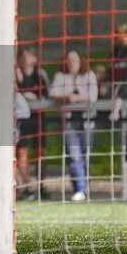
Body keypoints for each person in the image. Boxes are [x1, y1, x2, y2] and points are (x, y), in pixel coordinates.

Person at [49, 49, 98, 202]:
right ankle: (80, 189)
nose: (72, 63)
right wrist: (66, 97)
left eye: (75, 59)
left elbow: (93, 96)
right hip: (69, 122)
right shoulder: (60, 76)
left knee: (87, 155)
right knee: (75, 156)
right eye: (69, 60)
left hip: (87, 122)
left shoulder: (88, 75)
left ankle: (84, 187)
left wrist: (76, 98)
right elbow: (52, 92)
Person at [15, 45, 50, 200]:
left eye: (29, 56)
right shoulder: (16, 74)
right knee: (21, 154)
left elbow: (49, 95)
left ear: (35, 58)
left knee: (40, 153)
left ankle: (41, 186)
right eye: (23, 56)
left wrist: (36, 98)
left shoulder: (40, 74)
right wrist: (23, 94)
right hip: (21, 122)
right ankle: (27, 187)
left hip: (38, 120)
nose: (26, 59)